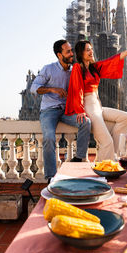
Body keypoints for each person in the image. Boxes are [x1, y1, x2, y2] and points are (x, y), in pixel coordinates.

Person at [65, 38, 127, 161]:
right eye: (88, 50)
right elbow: (77, 89)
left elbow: (111, 61)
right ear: (81, 53)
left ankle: (113, 156)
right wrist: (80, 110)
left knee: (125, 117)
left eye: (91, 49)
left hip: (98, 106)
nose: (91, 52)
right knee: (106, 141)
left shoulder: (94, 67)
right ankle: (104, 169)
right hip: (89, 107)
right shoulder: (78, 67)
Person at [31, 39, 91, 182]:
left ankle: (78, 158)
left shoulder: (74, 70)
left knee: (86, 122)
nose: (72, 54)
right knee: (49, 137)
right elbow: (33, 88)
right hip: (49, 111)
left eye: (71, 51)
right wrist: (52, 89)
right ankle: (51, 177)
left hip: (67, 110)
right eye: (68, 52)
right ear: (59, 55)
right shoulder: (48, 69)